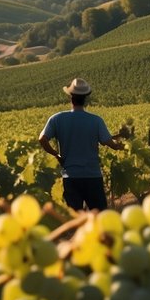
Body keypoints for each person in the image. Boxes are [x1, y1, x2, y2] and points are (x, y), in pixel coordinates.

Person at [38, 78, 124, 211]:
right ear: (86, 98)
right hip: (92, 176)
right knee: (100, 218)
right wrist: (123, 142)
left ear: (70, 97)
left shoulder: (57, 119)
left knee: (75, 219)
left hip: (70, 177)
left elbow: (42, 139)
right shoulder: (96, 121)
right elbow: (109, 143)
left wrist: (57, 155)